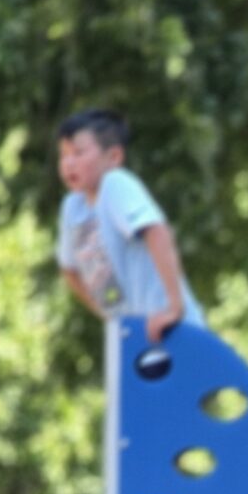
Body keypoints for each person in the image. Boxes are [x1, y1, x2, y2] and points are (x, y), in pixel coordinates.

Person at [54, 108, 204, 345]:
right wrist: (114, 320)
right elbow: (69, 269)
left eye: (79, 153)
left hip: (174, 329)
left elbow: (157, 231)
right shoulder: (73, 208)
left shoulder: (115, 184)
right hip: (139, 338)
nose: (68, 163)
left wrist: (175, 308)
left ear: (113, 157)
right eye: (63, 155)